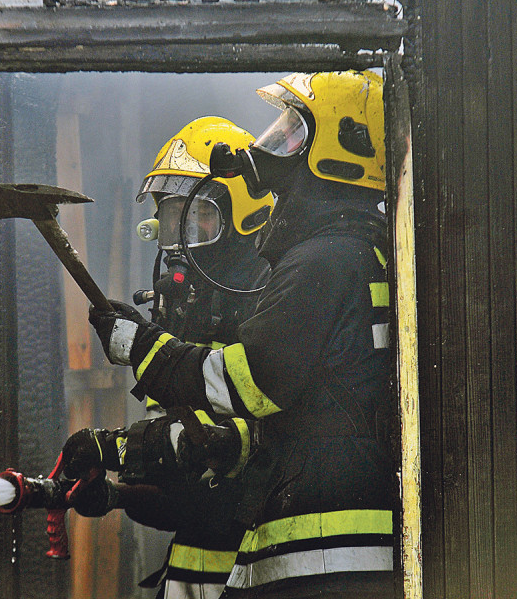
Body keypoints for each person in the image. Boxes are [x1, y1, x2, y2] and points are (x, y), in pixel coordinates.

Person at [88, 70, 398, 598]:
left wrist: (140, 348)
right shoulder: (353, 254)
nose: (272, 145)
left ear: (341, 151)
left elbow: (248, 382)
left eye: (293, 131)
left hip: (319, 554)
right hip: (315, 546)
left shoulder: (321, 262)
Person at [0, 116, 275, 599]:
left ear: (246, 217)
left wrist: (117, 445)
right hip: (191, 581)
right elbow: (182, 494)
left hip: (257, 577)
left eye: (200, 218)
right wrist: (117, 494)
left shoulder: (272, 309)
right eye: (172, 220)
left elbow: (239, 459)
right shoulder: (173, 335)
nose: (181, 242)